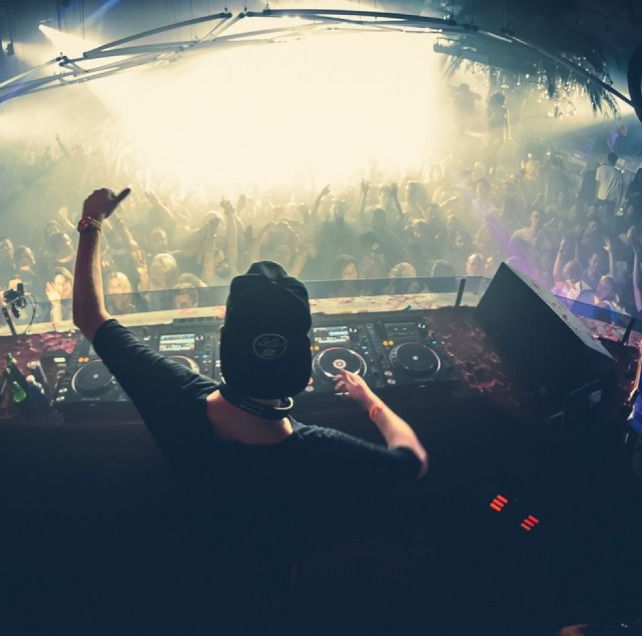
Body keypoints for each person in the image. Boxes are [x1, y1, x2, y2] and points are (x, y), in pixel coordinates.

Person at [72, 189, 429, 604]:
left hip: (197, 569)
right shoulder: (321, 449)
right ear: (303, 364)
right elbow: (412, 461)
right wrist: (369, 401)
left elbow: (89, 316)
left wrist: (92, 220)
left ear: (223, 340)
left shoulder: (174, 393)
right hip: (274, 580)